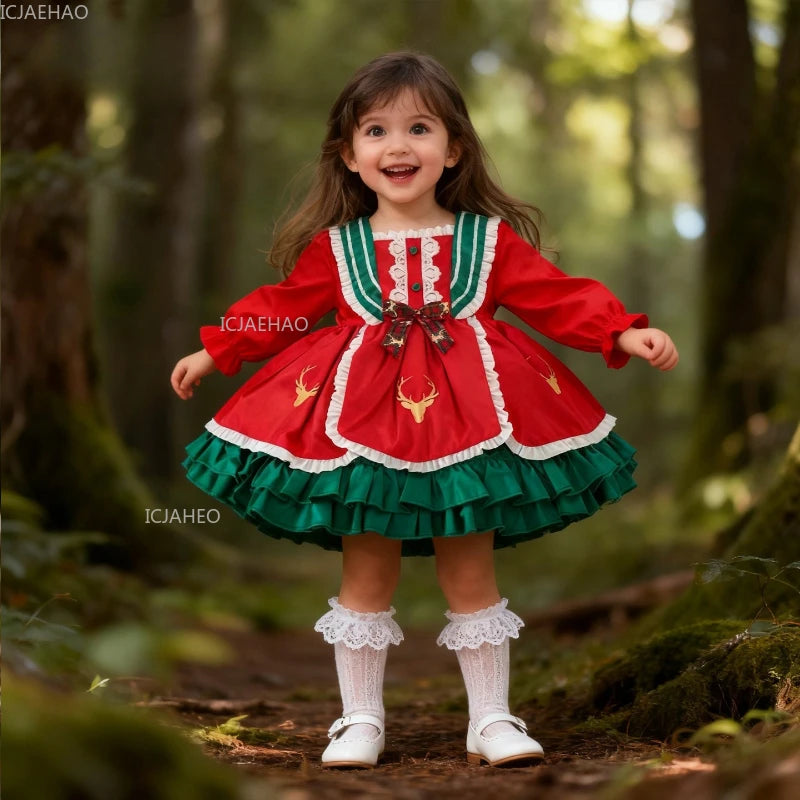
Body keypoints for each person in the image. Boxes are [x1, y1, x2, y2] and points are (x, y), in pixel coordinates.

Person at [170, 51, 678, 770]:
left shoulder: (488, 241)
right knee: (366, 569)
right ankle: (358, 720)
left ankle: (493, 717)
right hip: (360, 436)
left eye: (418, 128)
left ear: (454, 148)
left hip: (472, 430)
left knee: (470, 569)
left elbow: (555, 295)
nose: (398, 146)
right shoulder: (337, 249)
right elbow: (279, 311)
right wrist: (218, 350)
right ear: (349, 155)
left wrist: (621, 329)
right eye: (375, 131)